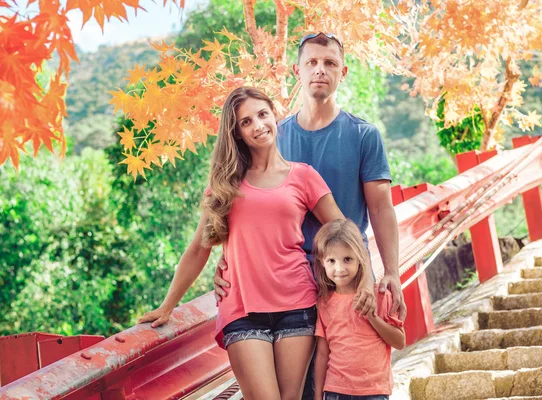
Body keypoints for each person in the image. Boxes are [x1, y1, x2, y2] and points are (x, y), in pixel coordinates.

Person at [138, 86, 347, 400]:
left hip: (297, 303)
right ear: (236, 133)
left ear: (274, 114)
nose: (258, 125)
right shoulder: (225, 184)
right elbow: (199, 247)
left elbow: (342, 233)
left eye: (262, 114)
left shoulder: (303, 176)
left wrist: (342, 284)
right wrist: (168, 305)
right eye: (246, 122)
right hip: (242, 309)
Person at [214, 32, 406, 318]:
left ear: (343, 72)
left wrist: (392, 273)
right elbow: (248, 203)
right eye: (312, 62)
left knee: (350, 361)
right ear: (297, 71)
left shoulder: (363, 135)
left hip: (347, 274)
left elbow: (380, 208)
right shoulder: (272, 136)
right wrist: (226, 258)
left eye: (330, 63)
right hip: (286, 277)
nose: (320, 69)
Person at [313, 219, 406, 400]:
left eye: (347, 259)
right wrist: (318, 396)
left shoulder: (380, 295)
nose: (339, 269)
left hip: (374, 390)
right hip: (336, 390)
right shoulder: (324, 302)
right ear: (322, 262)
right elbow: (323, 354)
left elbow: (399, 342)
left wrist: (372, 317)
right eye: (331, 260)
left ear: (360, 258)